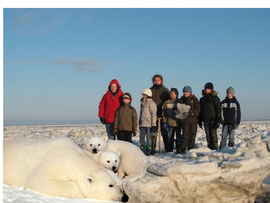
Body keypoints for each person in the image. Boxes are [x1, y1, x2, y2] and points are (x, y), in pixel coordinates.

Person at [198, 82, 221, 150]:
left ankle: (215, 148)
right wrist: (199, 120)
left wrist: (218, 120)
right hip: (205, 120)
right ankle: (209, 148)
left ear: (211, 90)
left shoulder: (215, 98)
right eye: (206, 88)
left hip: (213, 119)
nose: (206, 90)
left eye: (208, 89)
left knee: (213, 135)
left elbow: (218, 110)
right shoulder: (202, 99)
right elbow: (200, 111)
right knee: (208, 135)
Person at [150, 74, 170, 154]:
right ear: (153, 81)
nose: (157, 81)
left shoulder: (165, 90)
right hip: (153, 115)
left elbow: (169, 101)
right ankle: (153, 149)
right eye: (155, 80)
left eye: (158, 80)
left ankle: (168, 149)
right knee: (153, 133)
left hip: (163, 115)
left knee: (164, 132)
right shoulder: (150, 90)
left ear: (161, 81)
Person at [178, 86, 200, 153]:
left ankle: (191, 149)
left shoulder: (194, 99)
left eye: (187, 92)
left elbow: (198, 108)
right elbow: (179, 109)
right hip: (185, 121)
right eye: (184, 92)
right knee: (185, 135)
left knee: (193, 135)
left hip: (193, 121)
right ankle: (183, 148)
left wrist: (193, 112)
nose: (185, 93)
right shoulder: (181, 100)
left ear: (190, 92)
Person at [162, 88, 180, 153]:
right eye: (171, 94)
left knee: (178, 138)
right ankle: (170, 150)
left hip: (178, 123)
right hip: (170, 123)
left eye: (174, 94)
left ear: (176, 94)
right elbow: (163, 113)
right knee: (170, 138)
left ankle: (178, 150)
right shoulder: (166, 103)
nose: (172, 95)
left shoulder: (179, 102)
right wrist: (164, 121)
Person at [139, 88, 157, 155]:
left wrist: (153, 125)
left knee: (149, 138)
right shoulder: (142, 103)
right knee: (142, 138)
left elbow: (153, 114)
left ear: (147, 95)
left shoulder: (151, 103)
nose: (143, 96)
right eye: (142, 95)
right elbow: (141, 113)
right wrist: (139, 122)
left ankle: (148, 150)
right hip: (142, 124)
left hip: (149, 124)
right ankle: (142, 150)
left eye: (144, 95)